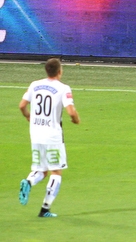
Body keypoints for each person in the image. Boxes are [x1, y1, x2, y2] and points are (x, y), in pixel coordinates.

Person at [18, 58, 81, 218]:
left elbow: (22, 105)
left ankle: (29, 181)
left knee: (41, 170)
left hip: (36, 133)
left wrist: (28, 117)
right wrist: (75, 119)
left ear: (46, 71)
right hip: (52, 136)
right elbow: (71, 111)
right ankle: (45, 209)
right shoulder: (63, 88)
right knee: (56, 171)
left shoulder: (35, 85)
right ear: (60, 71)